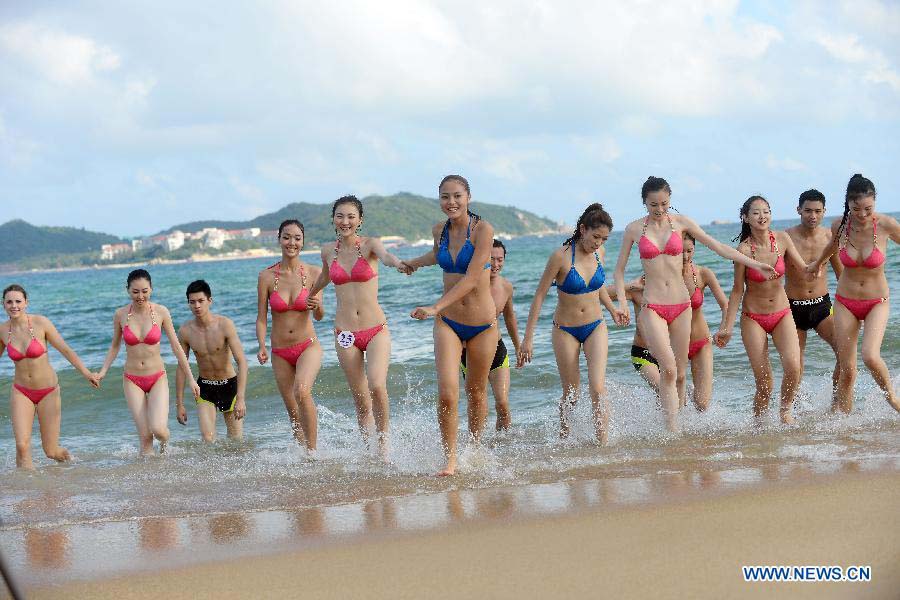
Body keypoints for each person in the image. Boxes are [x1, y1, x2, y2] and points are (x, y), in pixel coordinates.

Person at [613, 176, 775, 432]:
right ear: (645, 202)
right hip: (653, 306)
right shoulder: (634, 229)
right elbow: (619, 272)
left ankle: (682, 428)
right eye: (653, 204)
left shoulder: (681, 223)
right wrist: (622, 302)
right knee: (667, 368)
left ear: (670, 200)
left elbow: (719, 247)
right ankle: (671, 431)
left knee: (679, 374)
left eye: (664, 203)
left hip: (681, 305)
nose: (659, 209)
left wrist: (755, 264)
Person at [401, 174, 497, 476]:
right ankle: (451, 459)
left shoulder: (483, 230)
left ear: (468, 197)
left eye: (457, 196)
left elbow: (470, 278)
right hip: (449, 323)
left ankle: (475, 448)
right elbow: (439, 255)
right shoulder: (439, 230)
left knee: (477, 392)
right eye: (445, 196)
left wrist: (435, 306)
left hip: (483, 324)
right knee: (447, 392)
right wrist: (414, 262)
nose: (451, 202)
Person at [306, 195, 405, 458]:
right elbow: (327, 276)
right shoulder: (328, 250)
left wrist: (398, 265)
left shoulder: (371, 245)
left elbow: (386, 257)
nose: (345, 221)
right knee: (360, 397)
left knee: (375, 384)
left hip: (375, 329)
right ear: (333, 219)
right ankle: (368, 451)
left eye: (351, 216)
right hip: (345, 332)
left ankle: (384, 446)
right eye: (340, 216)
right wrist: (312, 294)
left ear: (359, 220)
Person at [521, 203, 626, 443]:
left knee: (598, 388)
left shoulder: (600, 254)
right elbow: (539, 295)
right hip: (565, 330)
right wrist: (528, 339)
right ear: (583, 229)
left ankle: (603, 444)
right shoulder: (561, 256)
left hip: (595, 325)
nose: (598, 243)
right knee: (572, 393)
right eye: (595, 236)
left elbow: (596, 285)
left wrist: (611, 309)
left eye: (604, 239)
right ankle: (564, 439)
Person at [807, 174, 900, 414]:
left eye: (868, 208)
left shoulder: (887, 224)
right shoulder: (840, 224)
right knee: (847, 369)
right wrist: (817, 264)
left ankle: (892, 398)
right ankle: (843, 424)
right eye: (855, 208)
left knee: (869, 355)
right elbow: (832, 246)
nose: (861, 214)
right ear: (848, 203)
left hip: (876, 301)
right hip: (845, 302)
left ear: (875, 202)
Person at [715, 196, 806, 424]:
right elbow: (737, 290)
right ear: (746, 217)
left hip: (782, 313)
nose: (762, 216)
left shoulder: (783, 239)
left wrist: (827, 255)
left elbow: (803, 268)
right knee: (765, 383)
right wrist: (727, 327)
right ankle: (759, 426)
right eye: (756, 213)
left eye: (766, 211)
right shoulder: (743, 250)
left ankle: (785, 411)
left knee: (794, 368)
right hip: (753, 317)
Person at [97, 269, 200, 455]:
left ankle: (165, 445)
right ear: (127, 290)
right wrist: (103, 371)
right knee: (145, 437)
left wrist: (191, 379)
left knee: (159, 430)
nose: (140, 296)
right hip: (132, 379)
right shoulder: (120, 315)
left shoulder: (161, 312)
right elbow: (114, 346)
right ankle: (149, 480)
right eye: (135, 292)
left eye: (144, 291)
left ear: (151, 289)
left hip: (157, 377)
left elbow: (177, 347)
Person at [2, 284, 99, 468]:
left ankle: (72, 462)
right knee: (22, 446)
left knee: (51, 451)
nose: (14, 305)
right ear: (3, 305)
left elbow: (65, 350)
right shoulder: (3, 330)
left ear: (26, 303)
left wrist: (87, 374)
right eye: (9, 302)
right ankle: (27, 491)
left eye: (18, 301)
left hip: (48, 391)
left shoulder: (41, 323)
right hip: (21, 391)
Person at [256, 219, 325, 454]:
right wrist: (261, 345)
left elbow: (320, 316)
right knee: (292, 408)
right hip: (279, 351)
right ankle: (301, 453)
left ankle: (313, 453)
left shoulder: (315, 273)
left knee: (302, 391)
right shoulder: (265, 277)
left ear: (303, 241)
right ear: (279, 240)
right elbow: (262, 317)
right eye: (286, 237)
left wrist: (316, 305)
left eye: (297, 238)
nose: (291, 242)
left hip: (308, 345)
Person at [460, 239, 522, 431]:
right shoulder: (470, 284)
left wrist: (518, 347)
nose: (496, 264)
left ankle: (503, 446)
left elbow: (510, 318)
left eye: (500, 259)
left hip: (497, 349)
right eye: (491, 259)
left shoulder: (506, 287)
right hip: (470, 352)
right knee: (478, 403)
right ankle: (477, 448)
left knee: (502, 402)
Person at [784, 189, 842, 394]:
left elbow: (841, 276)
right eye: (808, 210)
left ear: (824, 211)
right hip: (792, 307)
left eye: (818, 211)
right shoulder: (786, 237)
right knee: (795, 366)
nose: (813, 216)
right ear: (798, 210)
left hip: (822, 306)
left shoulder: (830, 237)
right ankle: (794, 410)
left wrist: (851, 310)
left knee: (845, 354)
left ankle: (836, 404)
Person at [176, 280, 249, 442]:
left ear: (210, 301)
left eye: (201, 301)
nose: (197, 306)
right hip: (205, 387)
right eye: (192, 302)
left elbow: (242, 362)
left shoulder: (225, 325)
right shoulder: (185, 331)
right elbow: (182, 367)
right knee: (207, 438)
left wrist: (241, 398)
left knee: (235, 440)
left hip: (230, 386)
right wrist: (179, 404)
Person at [680, 233, 728, 411]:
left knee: (702, 404)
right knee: (678, 405)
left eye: (689, 251)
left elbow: (725, 304)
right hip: (674, 346)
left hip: (701, 342)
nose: (685, 256)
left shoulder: (703, 274)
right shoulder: (663, 278)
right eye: (680, 251)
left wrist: (724, 328)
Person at [608, 277, 660, 392]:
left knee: (671, 394)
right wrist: (632, 284)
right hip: (643, 352)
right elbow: (602, 294)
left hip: (667, 352)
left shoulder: (672, 290)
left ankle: (659, 410)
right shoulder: (637, 291)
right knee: (662, 389)